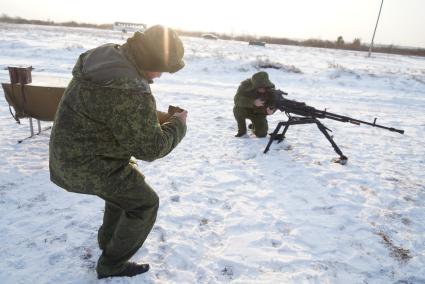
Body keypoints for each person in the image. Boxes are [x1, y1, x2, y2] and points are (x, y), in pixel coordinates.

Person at [49, 25, 187, 279]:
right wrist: (177, 124)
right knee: (145, 203)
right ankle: (112, 264)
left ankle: (108, 242)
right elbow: (151, 148)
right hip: (87, 165)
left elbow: (110, 113)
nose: (159, 76)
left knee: (125, 191)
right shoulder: (129, 89)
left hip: (70, 156)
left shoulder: (107, 59)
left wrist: (149, 118)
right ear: (150, 59)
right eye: (161, 69)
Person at [233, 71, 276, 137]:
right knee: (237, 109)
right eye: (260, 87)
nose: (263, 89)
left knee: (262, 134)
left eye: (264, 87)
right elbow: (237, 100)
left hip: (259, 113)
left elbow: (275, 103)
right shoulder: (245, 86)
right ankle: (242, 131)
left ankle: (254, 126)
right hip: (245, 110)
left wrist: (272, 110)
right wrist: (253, 102)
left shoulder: (271, 90)